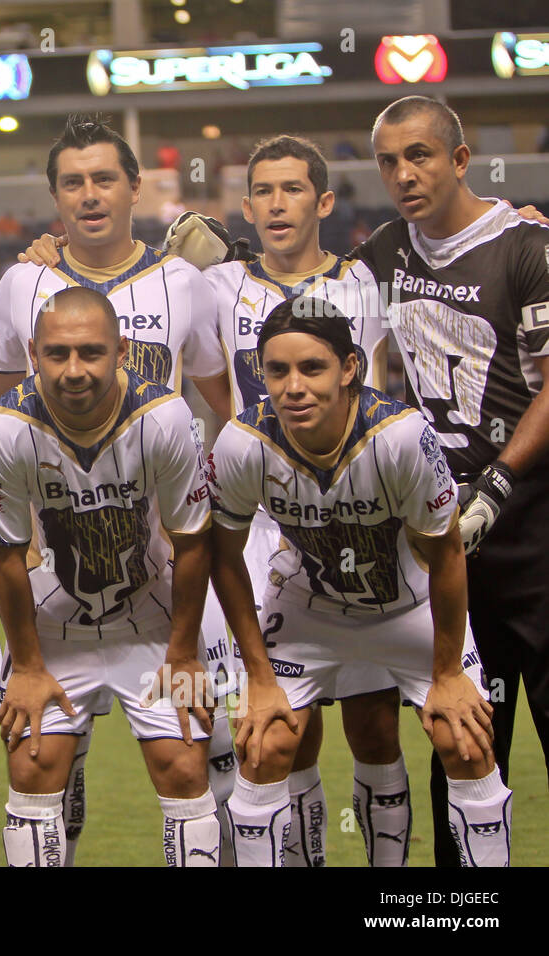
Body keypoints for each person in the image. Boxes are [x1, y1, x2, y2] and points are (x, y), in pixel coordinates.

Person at [0, 113, 232, 865]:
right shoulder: (24, 280)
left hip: (171, 573)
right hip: (61, 571)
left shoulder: (185, 281)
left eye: (104, 178)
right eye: (73, 181)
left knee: (208, 746)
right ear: (55, 196)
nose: (90, 195)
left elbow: (223, 401)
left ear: (133, 186)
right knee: (47, 756)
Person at [209, 296, 508, 866]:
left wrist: (446, 672)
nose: (293, 387)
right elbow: (225, 559)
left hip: (408, 608)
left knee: (463, 739)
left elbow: (446, 555)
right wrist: (258, 676)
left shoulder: (400, 437)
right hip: (307, 610)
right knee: (266, 742)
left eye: (312, 368)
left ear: (350, 368)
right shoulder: (242, 444)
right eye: (277, 371)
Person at [355, 95, 549, 866]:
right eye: (389, 161)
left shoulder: (524, 247)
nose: (404, 174)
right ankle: (457, 912)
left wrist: (499, 485)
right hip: (444, 537)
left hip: (534, 528)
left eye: (421, 155)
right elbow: (297, 289)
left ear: (460, 159)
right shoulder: (383, 253)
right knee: (460, 734)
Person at [203, 135, 404, 867]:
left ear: (323, 201)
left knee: (376, 722)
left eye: (293, 189)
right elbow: (212, 387)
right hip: (258, 532)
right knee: (281, 728)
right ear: (248, 205)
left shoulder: (366, 281)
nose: (277, 203)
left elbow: (378, 387)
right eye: (263, 190)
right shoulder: (218, 288)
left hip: (358, 523)